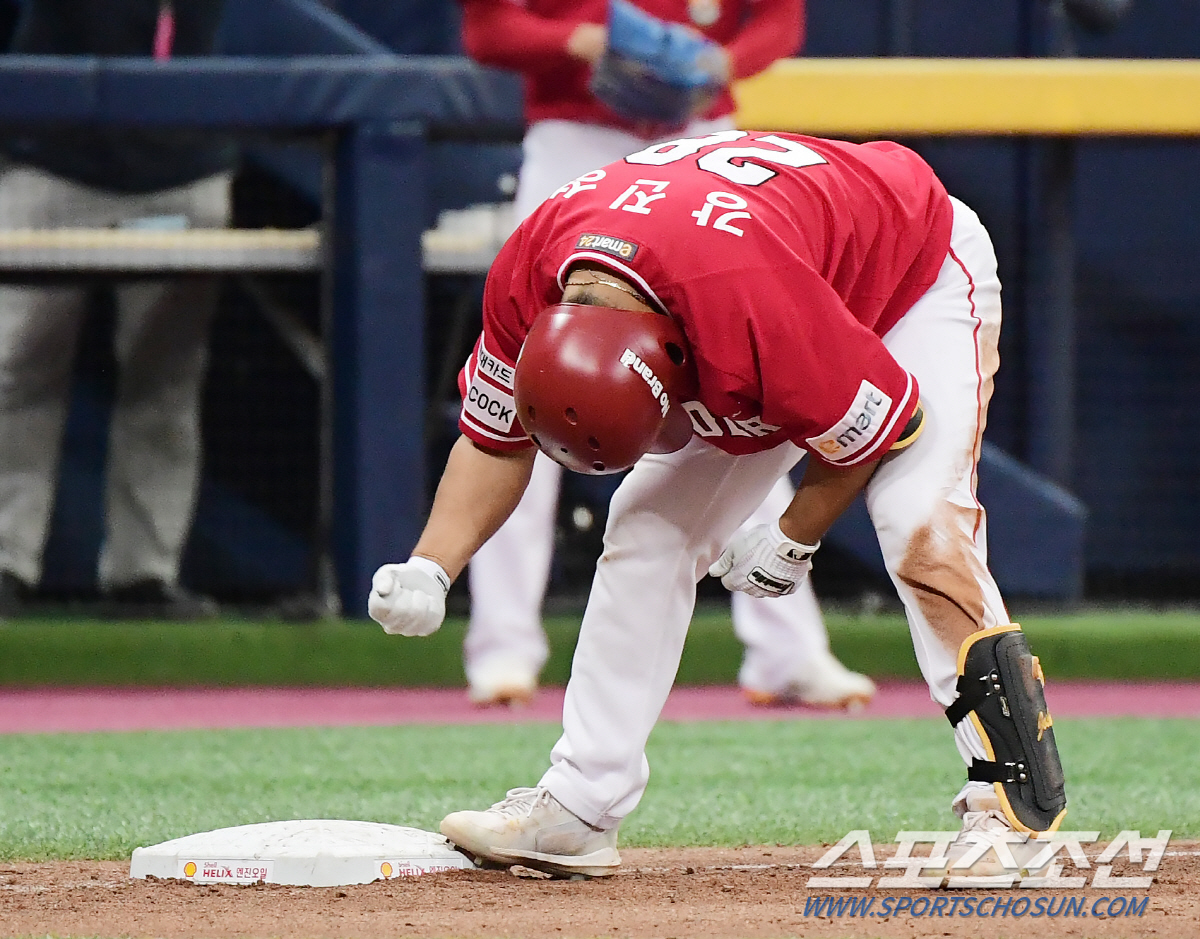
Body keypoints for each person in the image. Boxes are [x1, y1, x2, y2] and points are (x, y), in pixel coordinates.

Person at [369, 129, 1068, 879]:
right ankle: (580, 805)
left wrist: (794, 538)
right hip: (753, 273)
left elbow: (887, 423)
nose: (688, 438)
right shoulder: (527, 276)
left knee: (919, 521)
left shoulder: (750, 304)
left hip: (909, 271)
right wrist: (430, 566)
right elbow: (494, 441)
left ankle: (1016, 811)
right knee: (647, 524)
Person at [458, 0, 874, 710]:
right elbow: (488, 30)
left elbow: (780, 22)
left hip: (701, 148)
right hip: (576, 138)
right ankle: (503, 647)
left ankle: (786, 649)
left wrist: (723, 63)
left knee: (738, 391)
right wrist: (583, 41)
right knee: (531, 390)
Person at [0, 0, 234, 618]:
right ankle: (5, 564)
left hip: (183, 168)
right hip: (54, 160)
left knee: (164, 379)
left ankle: (143, 577)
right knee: (16, 369)